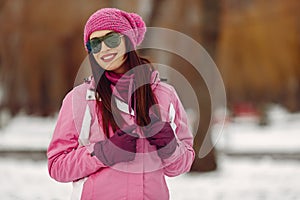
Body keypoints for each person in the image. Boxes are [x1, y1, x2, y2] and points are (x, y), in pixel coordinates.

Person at [47, 8, 195, 200]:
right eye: (95, 44)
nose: (104, 49)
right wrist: (102, 152)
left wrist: (170, 147)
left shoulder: (165, 95)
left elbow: (182, 164)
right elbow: (57, 166)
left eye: (112, 39)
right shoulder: (79, 99)